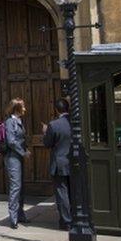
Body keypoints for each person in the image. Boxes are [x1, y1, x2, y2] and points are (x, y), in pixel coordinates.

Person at [42, 98, 72, 230]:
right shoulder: (75, 121)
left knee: (62, 193)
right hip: (73, 161)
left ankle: (66, 221)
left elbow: (47, 143)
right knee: (74, 191)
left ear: (56, 109)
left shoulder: (54, 125)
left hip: (59, 163)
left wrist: (45, 131)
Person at [4, 97, 29, 229]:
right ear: (17, 108)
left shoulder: (18, 120)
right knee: (15, 186)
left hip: (18, 156)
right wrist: (23, 152)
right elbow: (11, 141)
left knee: (20, 187)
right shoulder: (10, 122)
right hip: (13, 157)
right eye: (23, 106)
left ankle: (20, 214)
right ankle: (13, 217)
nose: (25, 109)